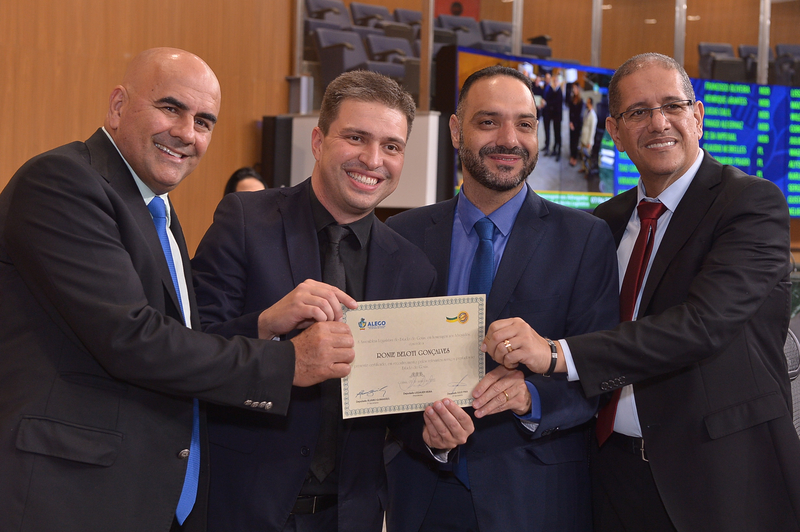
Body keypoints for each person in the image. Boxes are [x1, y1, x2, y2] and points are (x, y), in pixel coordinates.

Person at [0, 48, 355, 532]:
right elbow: (131, 338)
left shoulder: (158, 210)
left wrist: (260, 325)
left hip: (143, 496)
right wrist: (288, 362)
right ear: (118, 106)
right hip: (69, 498)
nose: (187, 133)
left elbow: (177, 341)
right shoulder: (62, 182)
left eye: (204, 122)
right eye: (171, 108)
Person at [486, 53, 800, 532]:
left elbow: (701, 326)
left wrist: (554, 354)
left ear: (697, 115)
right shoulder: (603, 223)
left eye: (673, 105)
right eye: (638, 112)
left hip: (721, 480)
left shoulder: (750, 204)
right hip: (611, 475)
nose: (659, 123)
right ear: (614, 131)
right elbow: (587, 327)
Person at [191, 70, 446, 532]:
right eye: (356, 137)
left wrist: (436, 432)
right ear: (318, 140)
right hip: (239, 507)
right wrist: (267, 326)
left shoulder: (413, 268)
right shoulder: (245, 221)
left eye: (391, 146)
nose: (373, 160)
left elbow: (403, 407)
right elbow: (189, 350)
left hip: (351, 517)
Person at [384, 65, 620, 532]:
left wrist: (531, 396)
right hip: (423, 490)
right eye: (488, 122)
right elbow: (384, 370)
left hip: (534, 499)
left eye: (525, 124)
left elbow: (602, 370)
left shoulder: (585, 238)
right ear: (457, 131)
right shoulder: (402, 235)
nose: (509, 140)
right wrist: (425, 432)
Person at [579, 97, 598, 174]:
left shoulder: (593, 116)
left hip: (588, 140)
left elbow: (592, 130)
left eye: (588, 102)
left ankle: (587, 171)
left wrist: (590, 142)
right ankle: (583, 168)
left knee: (587, 156)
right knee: (583, 155)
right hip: (584, 137)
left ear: (590, 104)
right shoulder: (587, 112)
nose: (586, 104)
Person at [567, 83, 584, 167]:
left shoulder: (581, 101)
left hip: (577, 125)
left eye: (575, 88)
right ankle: (572, 155)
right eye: (573, 88)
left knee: (576, 142)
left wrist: (574, 124)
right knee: (571, 140)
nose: (574, 90)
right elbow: (570, 112)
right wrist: (570, 122)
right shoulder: (571, 99)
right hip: (572, 123)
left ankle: (575, 157)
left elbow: (579, 115)